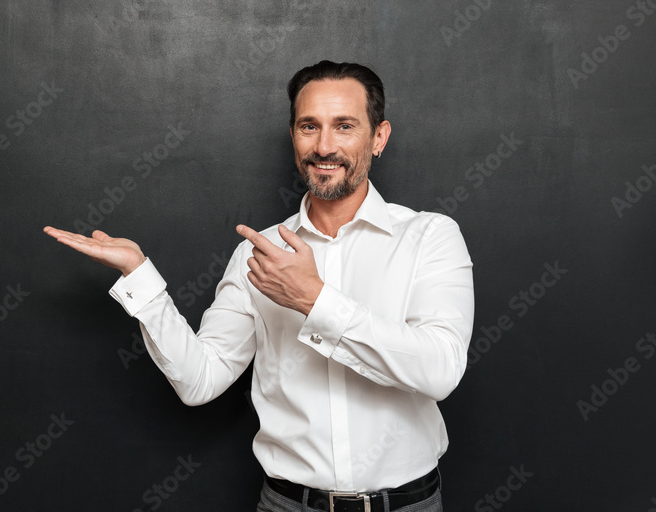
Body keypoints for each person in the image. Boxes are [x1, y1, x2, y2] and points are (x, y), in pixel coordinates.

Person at [44, 61, 474, 512]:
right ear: (293, 136)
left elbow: (440, 371)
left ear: (379, 137)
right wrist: (139, 276)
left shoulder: (430, 236)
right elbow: (200, 380)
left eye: (344, 126)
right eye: (310, 126)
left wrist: (313, 299)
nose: (325, 146)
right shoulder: (258, 252)